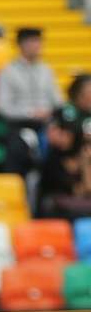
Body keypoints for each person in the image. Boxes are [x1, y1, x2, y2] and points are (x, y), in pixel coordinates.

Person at [38, 75, 91, 217]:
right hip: (58, 201)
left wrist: (85, 164)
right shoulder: (54, 160)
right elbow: (79, 190)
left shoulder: (86, 155)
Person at [0, 27, 63, 129]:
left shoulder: (46, 69)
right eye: (33, 41)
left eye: (39, 41)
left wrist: (49, 112)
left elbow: (57, 100)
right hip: (21, 123)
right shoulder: (8, 71)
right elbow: (3, 106)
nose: (38, 45)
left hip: (48, 121)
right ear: (21, 44)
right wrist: (30, 113)